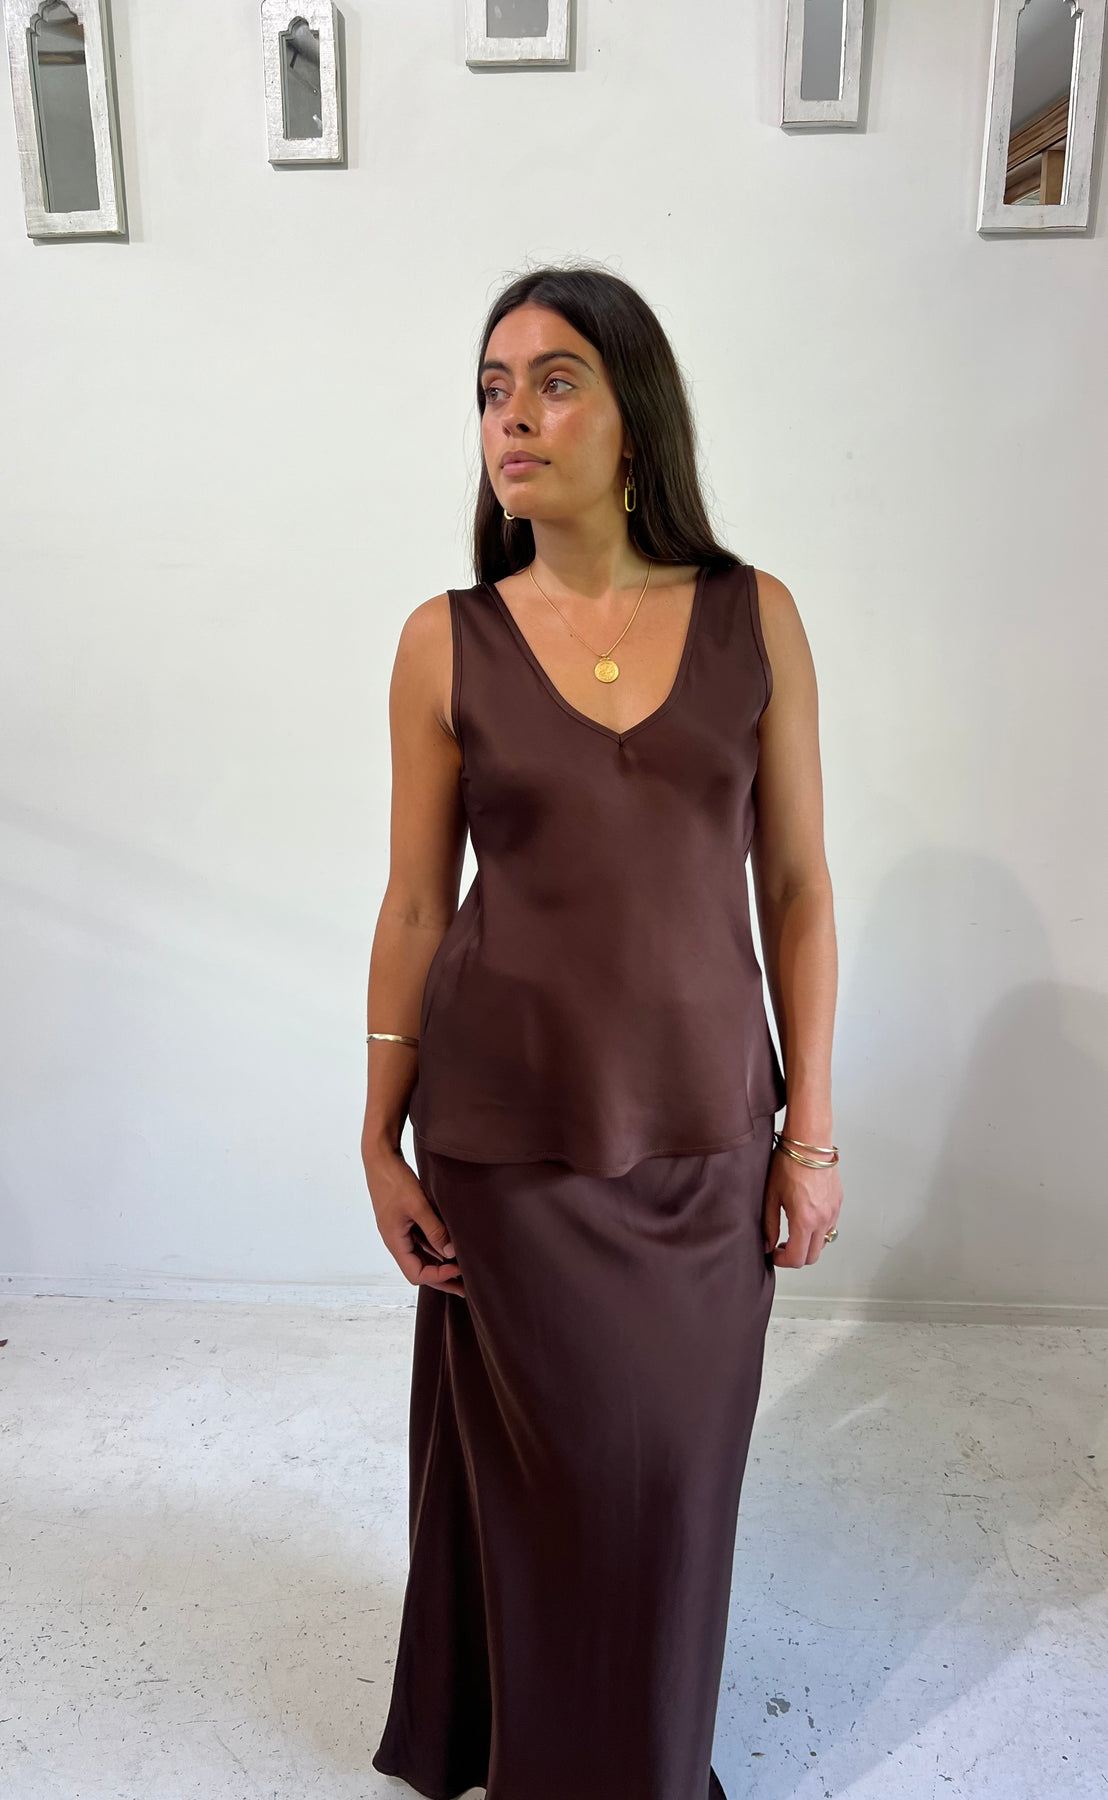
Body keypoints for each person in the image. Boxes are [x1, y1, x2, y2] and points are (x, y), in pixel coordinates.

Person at [360, 263, 842, 1800]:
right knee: (552, 1482)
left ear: (635, 415)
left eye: (554, 380)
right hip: (504, 1142)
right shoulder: (445, 642)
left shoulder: (754, 617)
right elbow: (416, 907)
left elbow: (800, 890)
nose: (514, 415)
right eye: (492, 389)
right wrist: (376, 1137)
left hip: (706, 1135)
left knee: (672, 1490)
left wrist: (811, 1137)